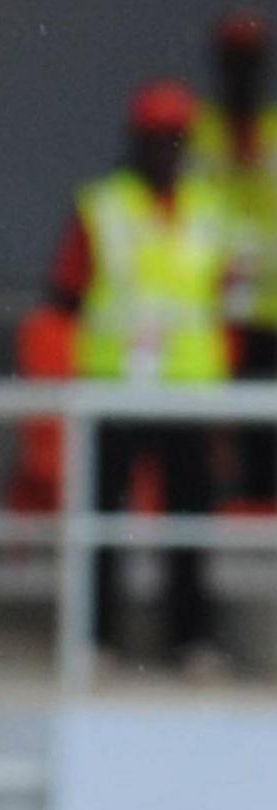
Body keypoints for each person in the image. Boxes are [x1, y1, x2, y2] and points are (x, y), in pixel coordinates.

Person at [50, 82, 230, 665]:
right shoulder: (102, 207)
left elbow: (226, 294)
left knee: (191, 522)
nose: (167, 150)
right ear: (135, 141)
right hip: (115, 386)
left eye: (177, 138)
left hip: (188, 391)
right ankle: (93, 639)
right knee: (101, 519)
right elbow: (66, 292)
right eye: (157, 138)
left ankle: (191, 641)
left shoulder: (210, 209)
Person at [196, 12, 277, 503]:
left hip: (270, 315)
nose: (242, 73)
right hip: (208, 317)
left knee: (266, 439)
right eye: (233, 61)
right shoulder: (195, 134)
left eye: (250, 61)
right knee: (206, 443)